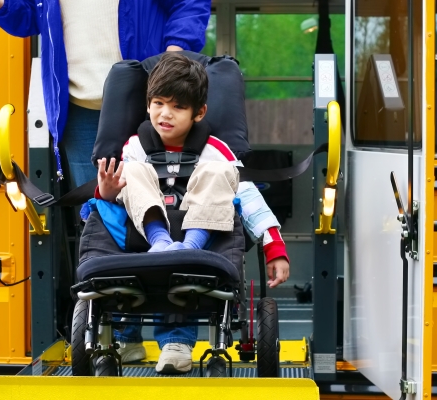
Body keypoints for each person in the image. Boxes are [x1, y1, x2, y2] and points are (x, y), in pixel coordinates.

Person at [95, 52, 291, 374]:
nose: (165, 114)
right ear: (147, 105)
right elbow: (116, 197)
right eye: (158, 103)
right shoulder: (135, 147)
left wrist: (274, 246)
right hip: (147, 237)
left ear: (199, 113)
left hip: (199, 239)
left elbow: (249, 198)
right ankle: (127, 336)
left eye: (178, 107)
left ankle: (177, 336)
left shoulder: (215, 150)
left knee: (220, 173)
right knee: (134, 171)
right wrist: (107, 190)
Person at [0, 0, 211, 189]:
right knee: (97, 213)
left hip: (150, 103)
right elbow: (28, 18)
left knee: (162, 201)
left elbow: (189, 4)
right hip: (81, 109)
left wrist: (170, 62)